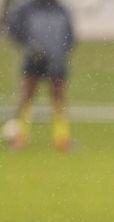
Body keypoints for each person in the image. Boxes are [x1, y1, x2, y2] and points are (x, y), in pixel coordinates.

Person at [8, 0, 75, 151]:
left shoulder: (61, 10)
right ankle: (20, 136)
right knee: (27, 96)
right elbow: (15, 31)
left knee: (59, 97)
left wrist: (60, 52)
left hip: (56, 59)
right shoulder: (26, 9)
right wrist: (32, 49)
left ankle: (62, 138)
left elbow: (70, 35)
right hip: (33, 59)